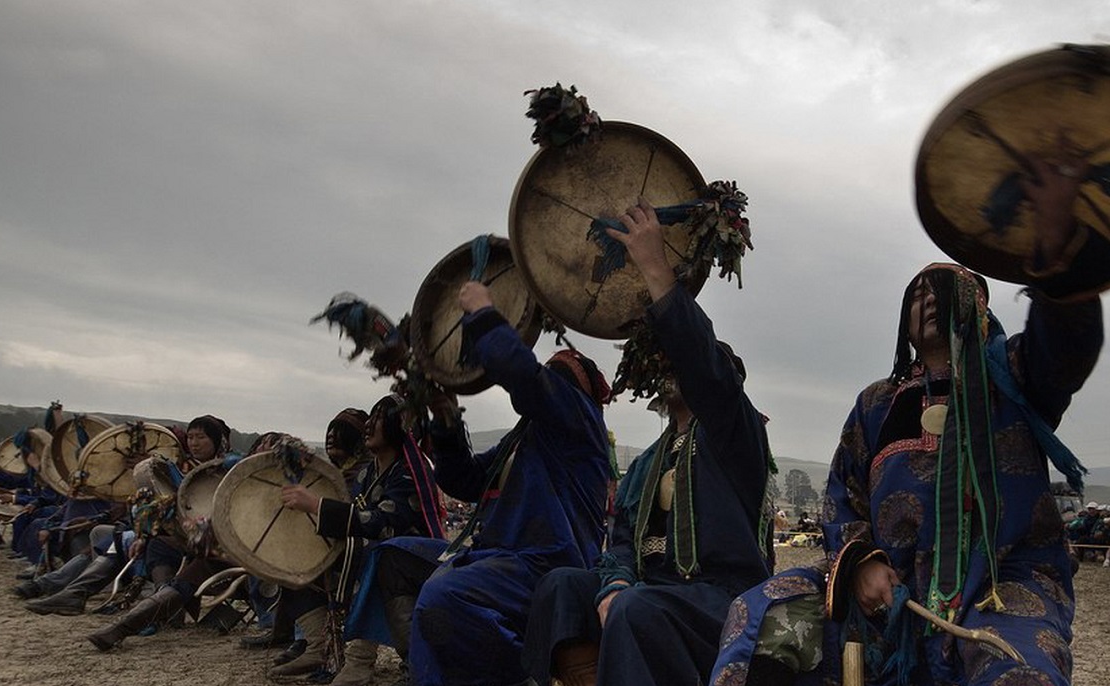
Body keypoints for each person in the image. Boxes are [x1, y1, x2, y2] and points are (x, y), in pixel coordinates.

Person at [710, 156, 1103, 685]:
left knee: (1017, 671)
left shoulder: (1014, 376)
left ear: (981, 309)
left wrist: (1056, 244)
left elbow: (1065, 348)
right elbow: (842, 494)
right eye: (917, 294)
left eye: (945, 290)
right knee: (761, 617)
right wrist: (861, 563)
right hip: (887, 586)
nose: (929, 300)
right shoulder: (876, 403)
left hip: (1001, 581)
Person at [523, 198, 774, 686]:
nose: (675, 367)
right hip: (652, 591)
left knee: (636, 609)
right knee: (561, 586)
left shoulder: (734, 433)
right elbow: (618, 542)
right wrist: (614, 582)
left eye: (687, 362)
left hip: (722, 596)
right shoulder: (644, 465)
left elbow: (707, 369)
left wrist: (656, 267)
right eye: (670, 361)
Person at [360, 280, 613, 686]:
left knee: (446, 595)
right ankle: (426, 667)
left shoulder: (581, 426)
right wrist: (445, 420)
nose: (548, 385)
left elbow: (525, 378)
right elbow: (464, 479)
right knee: (392, 557)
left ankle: (520, 677)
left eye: (557, 379)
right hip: (495, 557)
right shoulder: (523, 440)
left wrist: (482, 314)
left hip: (544, 563)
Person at [273, 397, 446, 683]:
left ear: (399, 426)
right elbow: (354, 516)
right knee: (295, 556)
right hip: (372, 551)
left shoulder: (409, 472)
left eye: (378, 417)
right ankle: (319, 646)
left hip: (409, 560)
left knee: (378, 556)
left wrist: (317, 505)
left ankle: (359, 660)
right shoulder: (367, 473)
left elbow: (383, 523)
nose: (369, 424)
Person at [87, 414, 236, 650]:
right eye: (191, 437)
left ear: (217, 441)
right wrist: (144, 535)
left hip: (231, 551)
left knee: (180, 574)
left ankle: (126, 625)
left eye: (201, 437)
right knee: (161, 549)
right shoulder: (181, 468)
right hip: (201, 548)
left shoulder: (232, 471)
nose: (194, 443)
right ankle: (125, 626)